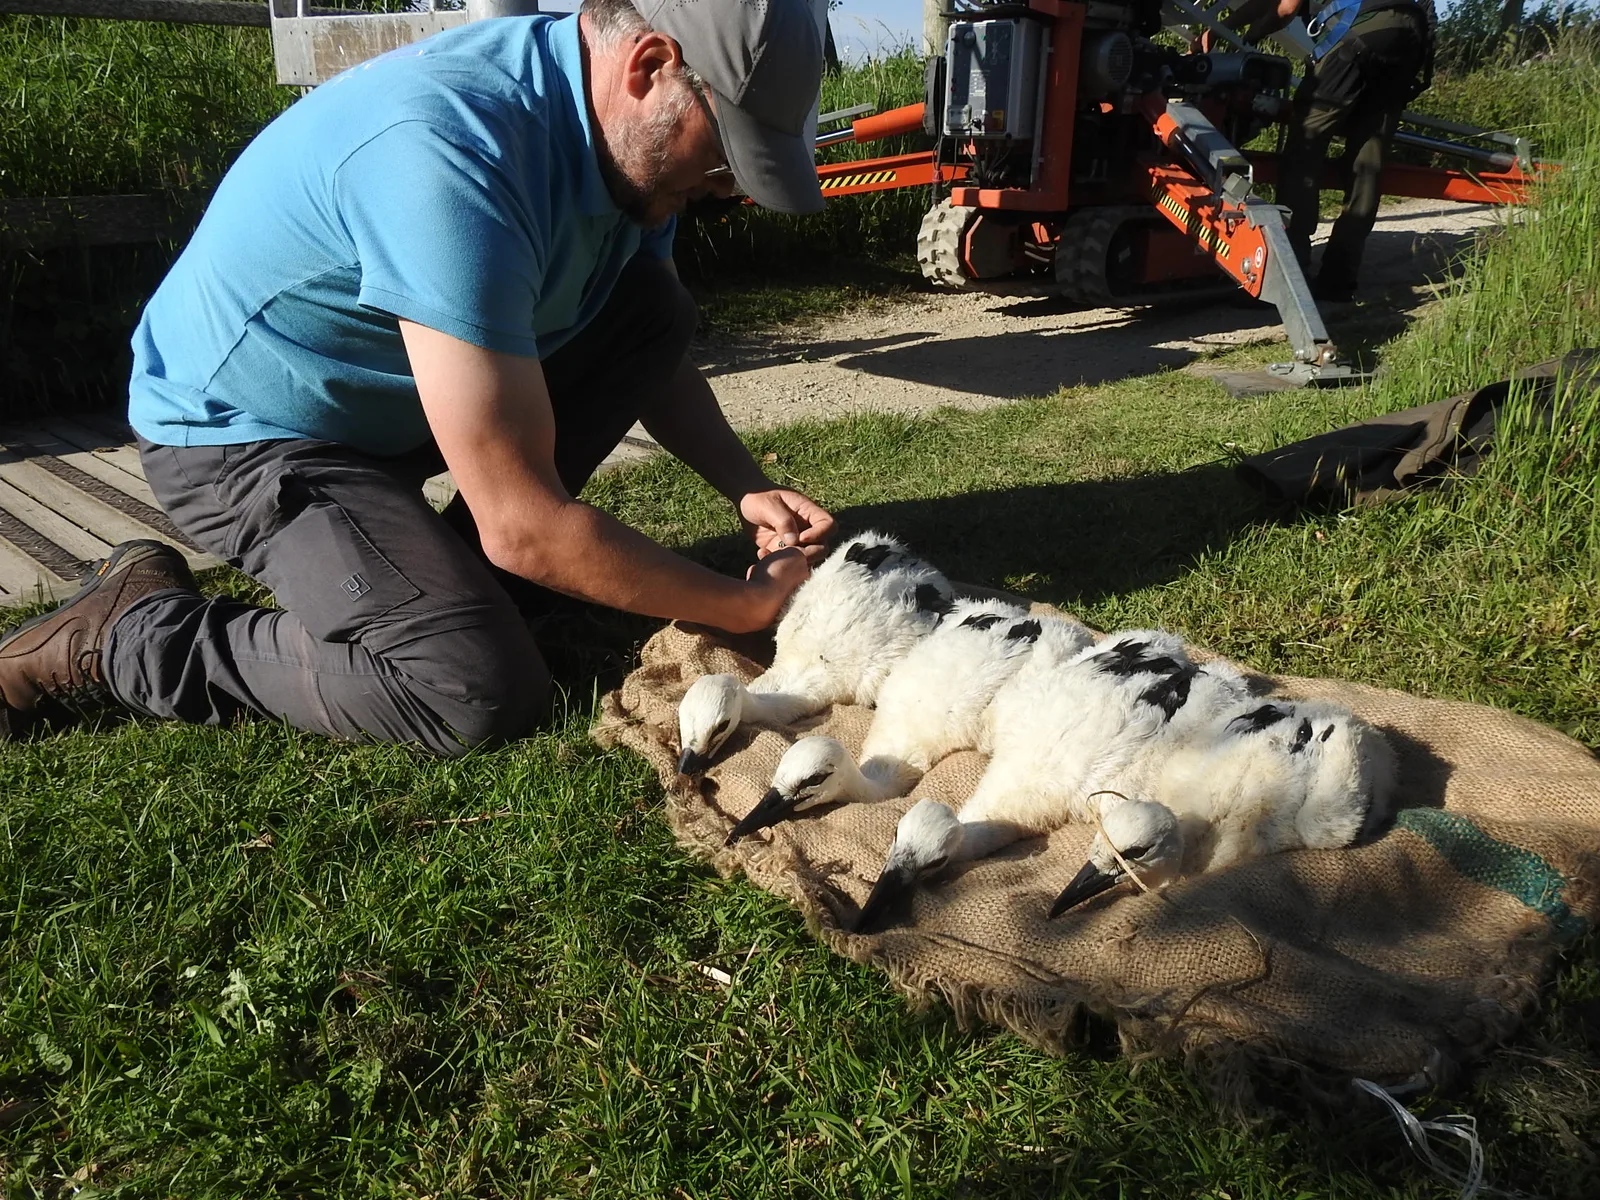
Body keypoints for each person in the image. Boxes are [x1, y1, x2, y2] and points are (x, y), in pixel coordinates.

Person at [0, 0, 836, 755]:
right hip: (246, 434)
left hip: (386, 406)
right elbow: (524, 524)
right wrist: (743, 607)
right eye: (727, 151)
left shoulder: (622, 151)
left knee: (654, 305)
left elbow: (651, 351)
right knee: (468, 687)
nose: (730, 186)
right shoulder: (451, 152)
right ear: (649, 68)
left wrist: (746, 485)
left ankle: (469, 590)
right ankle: (129, 634)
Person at [1222, 0, 1436, 301]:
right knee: (1368, 163)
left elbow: (1285, 8)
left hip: (1361, 34)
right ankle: (1339, 278)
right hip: (1408, 41)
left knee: (1304, 146)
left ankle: (1290, 271)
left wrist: (1248, 37)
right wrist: (1225, 27)